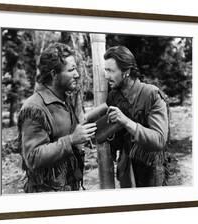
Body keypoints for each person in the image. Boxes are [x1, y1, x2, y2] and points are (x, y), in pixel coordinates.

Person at [17, 43, 97, 192]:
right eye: (71, 70)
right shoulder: (34, 108)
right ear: (54, 74)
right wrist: (72, 139)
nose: (77, 74)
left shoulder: (63, 99)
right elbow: (32, 157)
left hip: (68, 186)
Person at [104, 46, 169, 187]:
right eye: (105, 70)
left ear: (126, 72)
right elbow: (116, 141)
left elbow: (159, 140)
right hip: (127, 169)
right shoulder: (113, 97)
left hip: (150, 169)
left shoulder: (151, 94)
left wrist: (126, 122)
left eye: (110, 71)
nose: (106, 76)